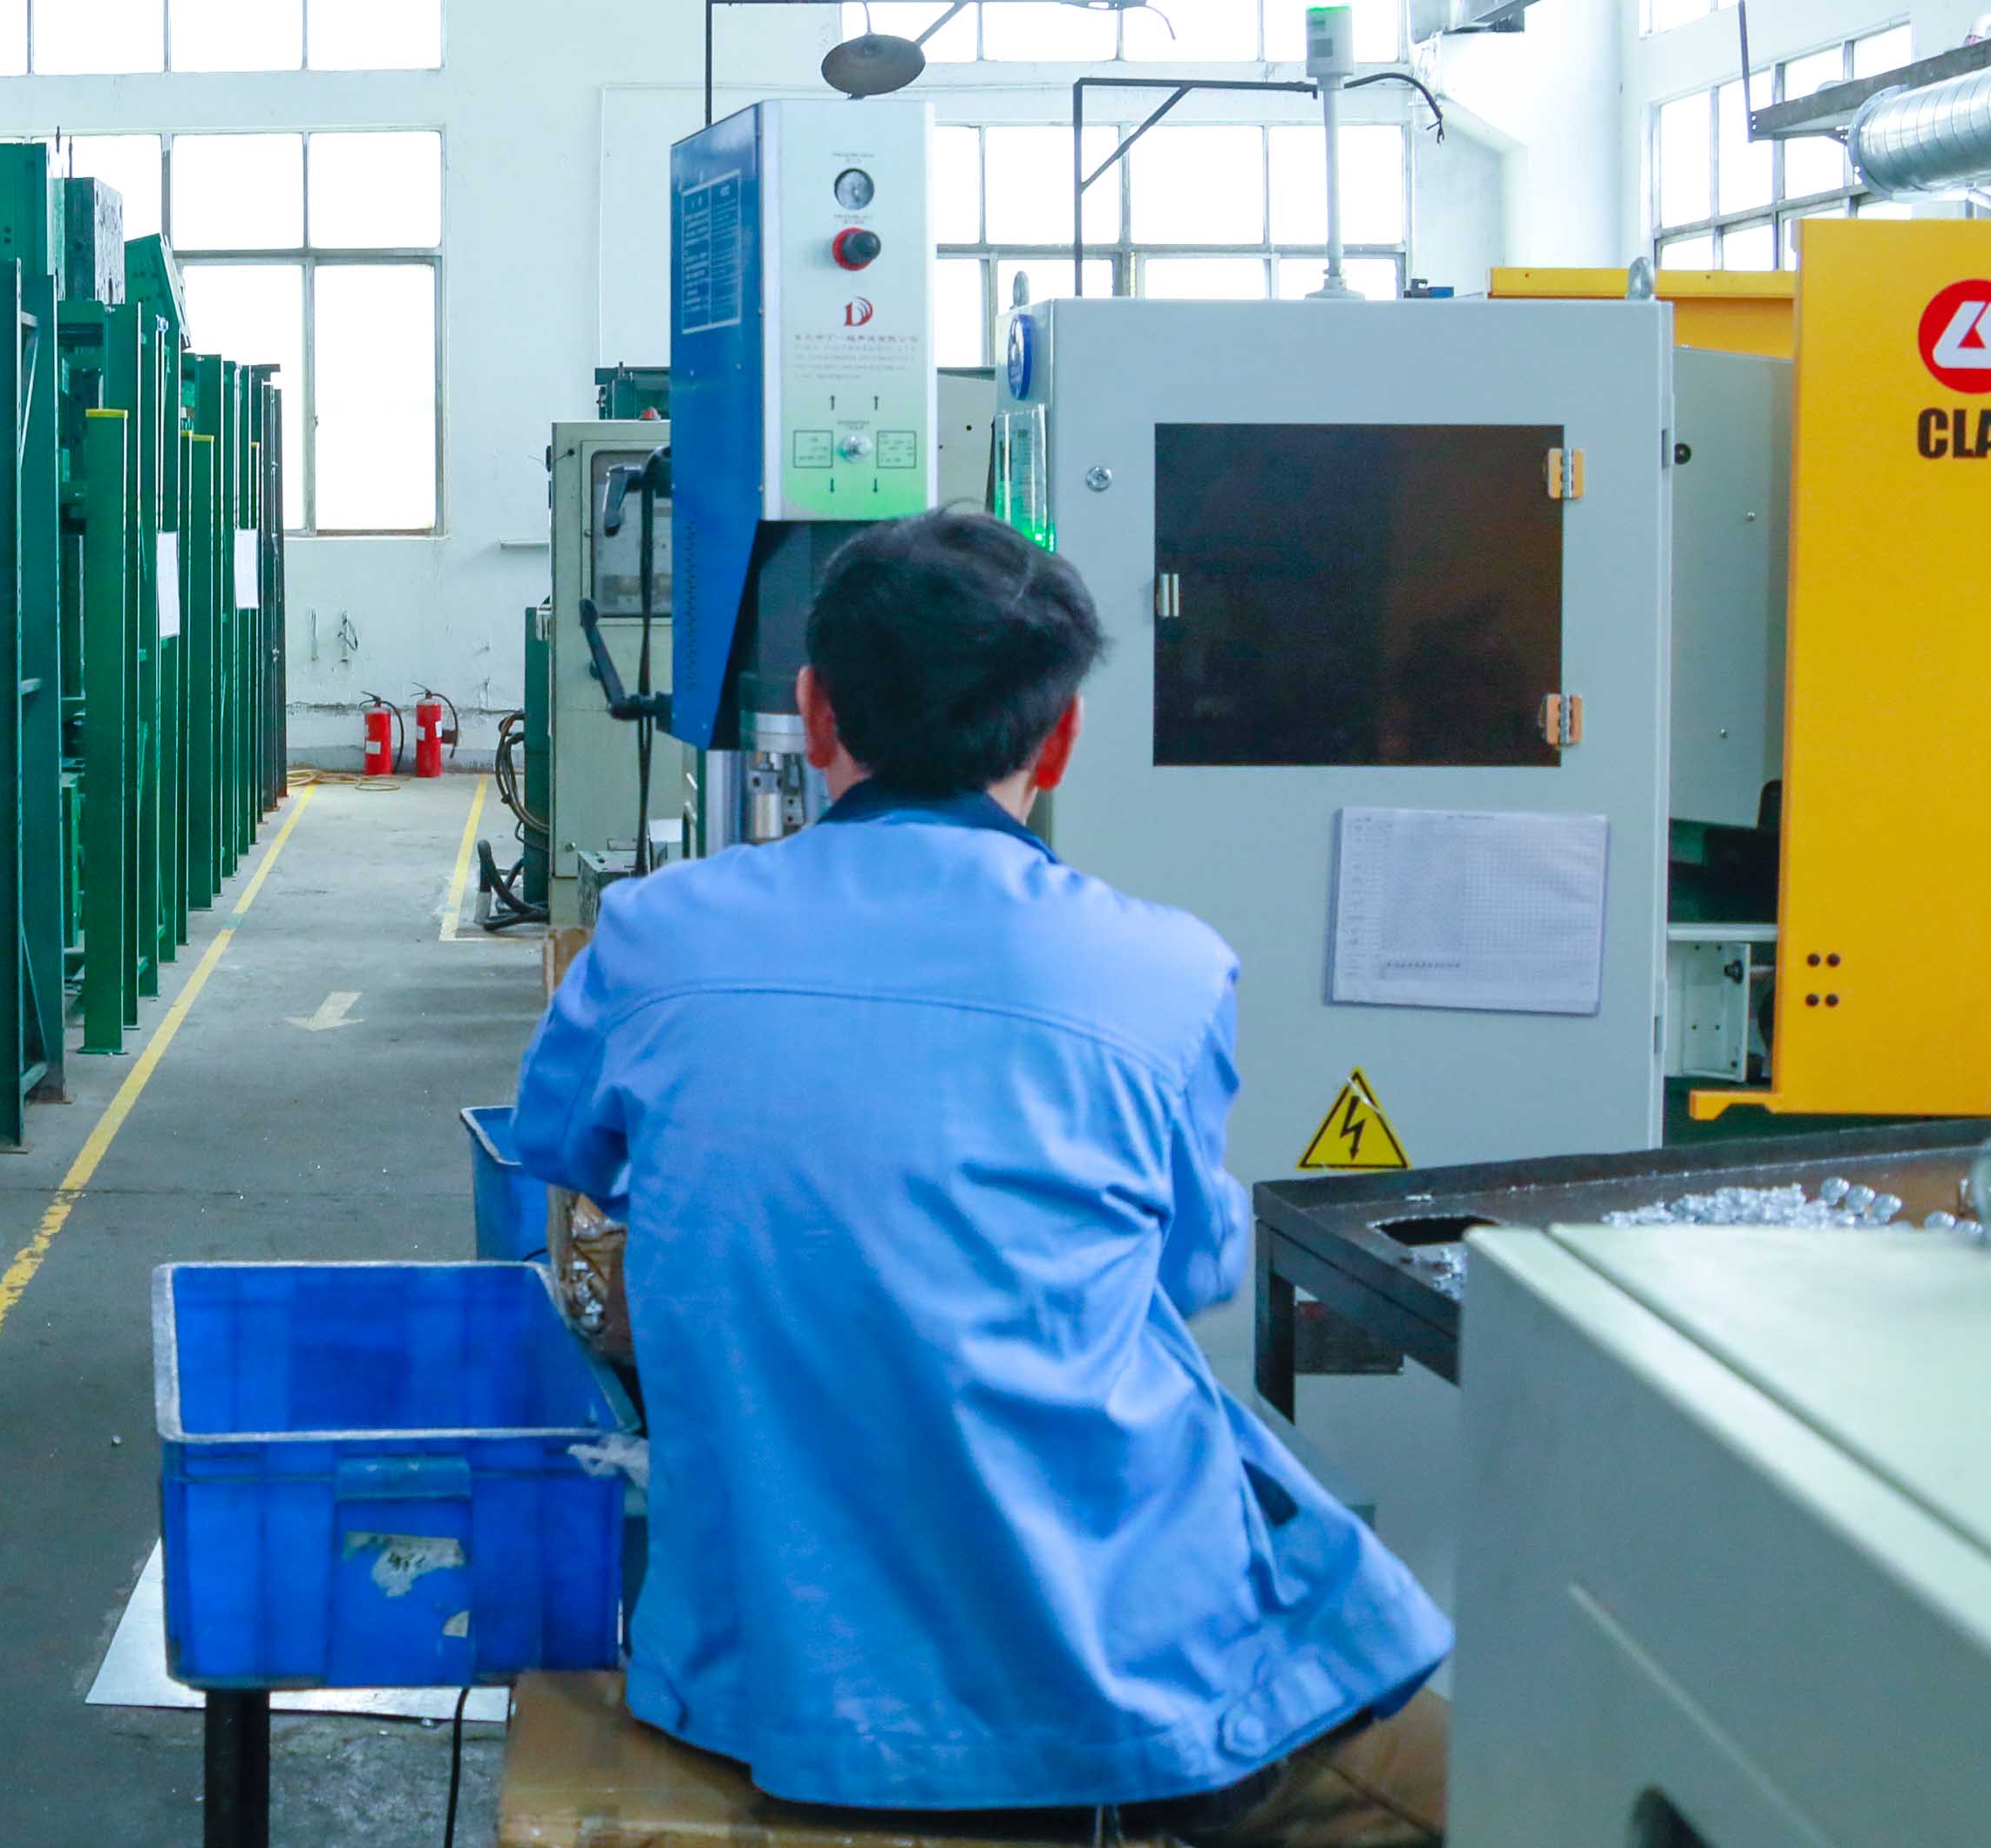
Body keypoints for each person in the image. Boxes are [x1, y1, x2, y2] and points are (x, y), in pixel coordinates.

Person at [504, 508, 1451, 1845]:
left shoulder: (657, 934)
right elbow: (1189, 1275)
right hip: (1110, 1659)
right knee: (1478, 1778)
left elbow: (570, 1149)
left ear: (813, 713)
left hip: (758, 1669)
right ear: (1057, 738)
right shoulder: (1166, 968)